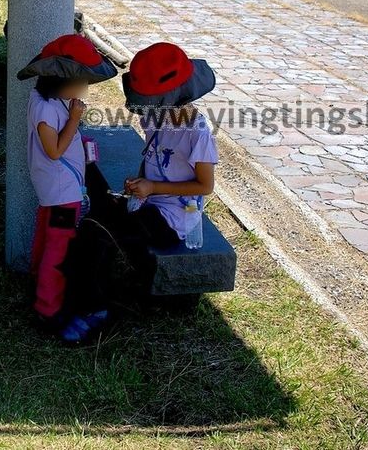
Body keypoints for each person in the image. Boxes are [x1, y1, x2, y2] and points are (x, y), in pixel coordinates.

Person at [61, 42, 218, 343]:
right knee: (93, 219)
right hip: (148, 202)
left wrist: (153, 187)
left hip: (173, 219)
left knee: (102, 235)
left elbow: (205, 186)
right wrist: (140, 183)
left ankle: (96, 311)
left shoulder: (196, 133)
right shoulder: (157, 116)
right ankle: (78, 293)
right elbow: (154, 157)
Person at [16, 34, 117, 339]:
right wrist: (75, 119)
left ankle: (37, 286)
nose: (85, 89)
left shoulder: (43, 99)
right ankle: (49, 308)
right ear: (60, 80)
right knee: (58, 251)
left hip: (53, 191)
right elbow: (54, 150)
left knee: (46, 238)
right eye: (81, 81)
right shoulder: (48, 110)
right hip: (63, 195)